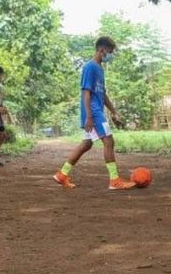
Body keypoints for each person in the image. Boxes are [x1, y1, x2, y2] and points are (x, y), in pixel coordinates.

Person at [54, 36, 135, 190]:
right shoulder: (89, 67)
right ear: (101, 49)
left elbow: (102, 94)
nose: (110, 55)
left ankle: (62, 174)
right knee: (109, 141)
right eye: (110, 52)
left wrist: (113, 111)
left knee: (86, 144)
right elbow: (86, 92)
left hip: (96, 111)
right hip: (93, 112)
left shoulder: (100, 69)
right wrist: (89, 116)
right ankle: (114, 180)